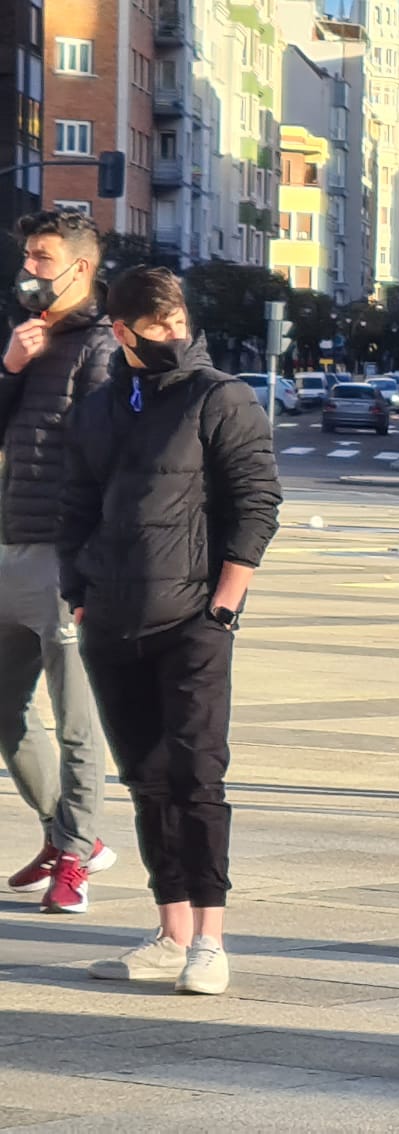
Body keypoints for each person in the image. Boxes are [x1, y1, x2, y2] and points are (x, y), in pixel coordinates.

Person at [59, 267, 281, 993]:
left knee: (196, 777)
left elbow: (256, 501)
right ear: (120, 332)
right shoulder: (95, 408)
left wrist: (224, 602)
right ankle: (170, 931)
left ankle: (211, 941)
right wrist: (79, 595)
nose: (171, 334)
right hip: (112, 620)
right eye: (154, 325)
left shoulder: (220, 397)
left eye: (177, 319)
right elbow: (76, 505)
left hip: (192, 618)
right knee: (146, 781)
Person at [0, 210, 119, 913]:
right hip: (11, 539)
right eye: (28, 257)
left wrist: (93, 564)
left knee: (75, 715)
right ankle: (68, 834)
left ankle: (74, 855)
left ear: (79, 268)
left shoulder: (102, 347)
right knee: (3, 708)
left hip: (65, 555)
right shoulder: (23, 341)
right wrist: (10, 368)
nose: (30, 270)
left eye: (43, 259)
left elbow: (106, 459)